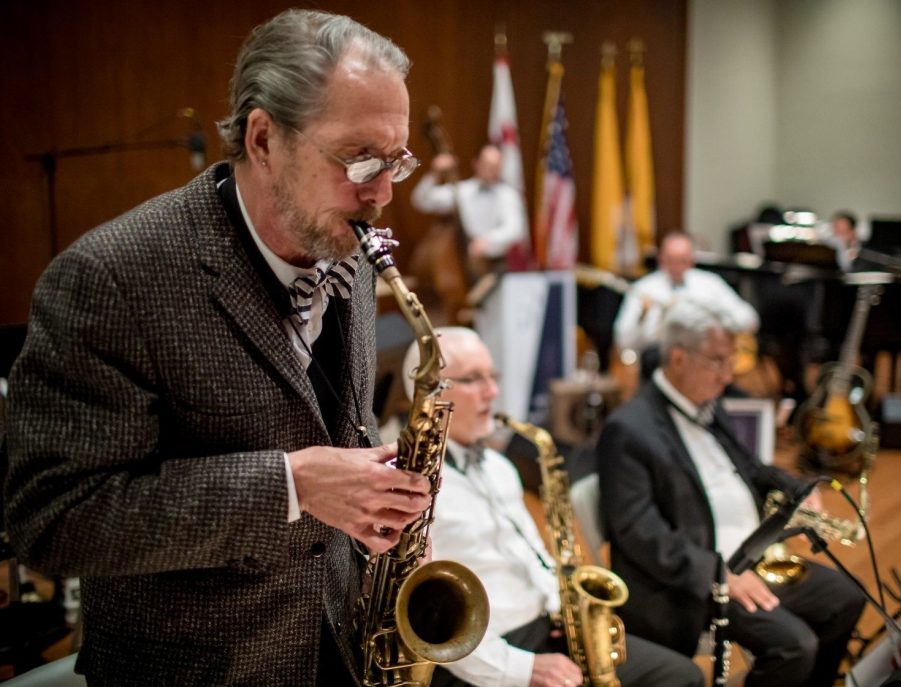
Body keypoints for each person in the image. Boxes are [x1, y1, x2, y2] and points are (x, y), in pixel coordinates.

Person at [3, 10, 434, 685]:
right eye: (360, 158)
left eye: (397, 161)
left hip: (343, 646)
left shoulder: (345, 243)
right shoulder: (111, 276)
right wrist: (290, 487)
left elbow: (336, 424)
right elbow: (52, 518)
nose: (380, 193)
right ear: (263, 139)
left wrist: (375, 502)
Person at [401, 327, 703, 687]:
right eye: (472, 379)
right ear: (428, 393)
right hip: (484, 654)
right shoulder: (408, 489)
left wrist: (568, 612)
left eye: (492, 376)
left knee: (680, 676)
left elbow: (530, 554)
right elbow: (427, 625)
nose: (493, 392)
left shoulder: (500, 467)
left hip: (547, 626)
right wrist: (522, 669)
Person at [597, 297, 866, 687]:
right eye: (717, 361)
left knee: (846, 598)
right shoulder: (628, 429)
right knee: (795, 645)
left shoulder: (707, 402)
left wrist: (798, 488)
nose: (728, 374)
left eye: (731, 359)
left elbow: (751, 468)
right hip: (691, 581)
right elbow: (640, 534)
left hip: (749, 555)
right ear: (677, 358)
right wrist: (718, 575)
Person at [613, 231, 759, 380]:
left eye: (682, 260)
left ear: (691, 260)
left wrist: (718, 317)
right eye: (671, 260)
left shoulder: (710, 284)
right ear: (661, 258)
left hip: (706, 361)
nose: (676, 266)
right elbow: (624, 342)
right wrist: (642, 316)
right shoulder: (643, 289)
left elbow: (750, 319)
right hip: (660, 363)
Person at [410, 144, 528, 276]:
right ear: (476, 163)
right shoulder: (462, 191)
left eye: (495, 166)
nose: (491, 169)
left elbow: (514, 228)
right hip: (462, 262)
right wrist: (435, 173)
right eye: (487, 164)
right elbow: (421, 201)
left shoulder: (509, 195)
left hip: (495, 264)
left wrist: (487, 241)